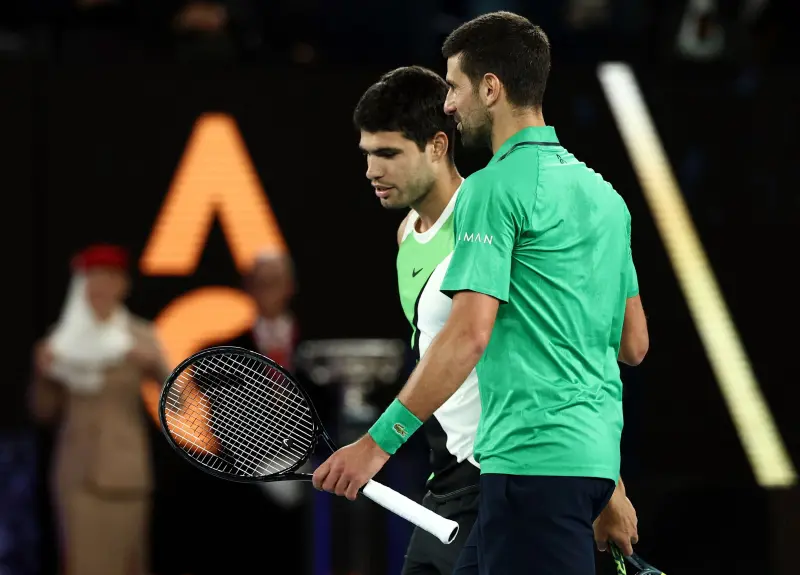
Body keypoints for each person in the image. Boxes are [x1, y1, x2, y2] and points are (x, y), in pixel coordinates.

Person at [312, 11, 649, 575]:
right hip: (581, 461)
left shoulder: (490, 190)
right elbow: (632, 343)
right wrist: (607, 479)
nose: (449, 103)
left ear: (490, 88)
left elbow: (468, 336)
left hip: (525, 465)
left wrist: (375, 445)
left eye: (455, 87)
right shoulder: (604, 195)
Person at [353, 65, 477, 575]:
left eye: (388, 154)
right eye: (367, 154)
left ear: (437, 146)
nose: (371, 171)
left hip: (501, 480)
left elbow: (557, 352)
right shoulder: (407, 233)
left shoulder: (485, 222)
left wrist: (608, 482)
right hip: (444, 481)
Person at [30, 244, 171, 575]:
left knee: (128, 563)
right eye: (92, 278)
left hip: (125, 470)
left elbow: (180, 401)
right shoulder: (61, 340)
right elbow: (43, 412)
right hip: (76, 472)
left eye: (109, 278)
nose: (101, 287)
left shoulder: (140, 335)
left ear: (123, 285)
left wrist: (156, 364)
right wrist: (43, 375)